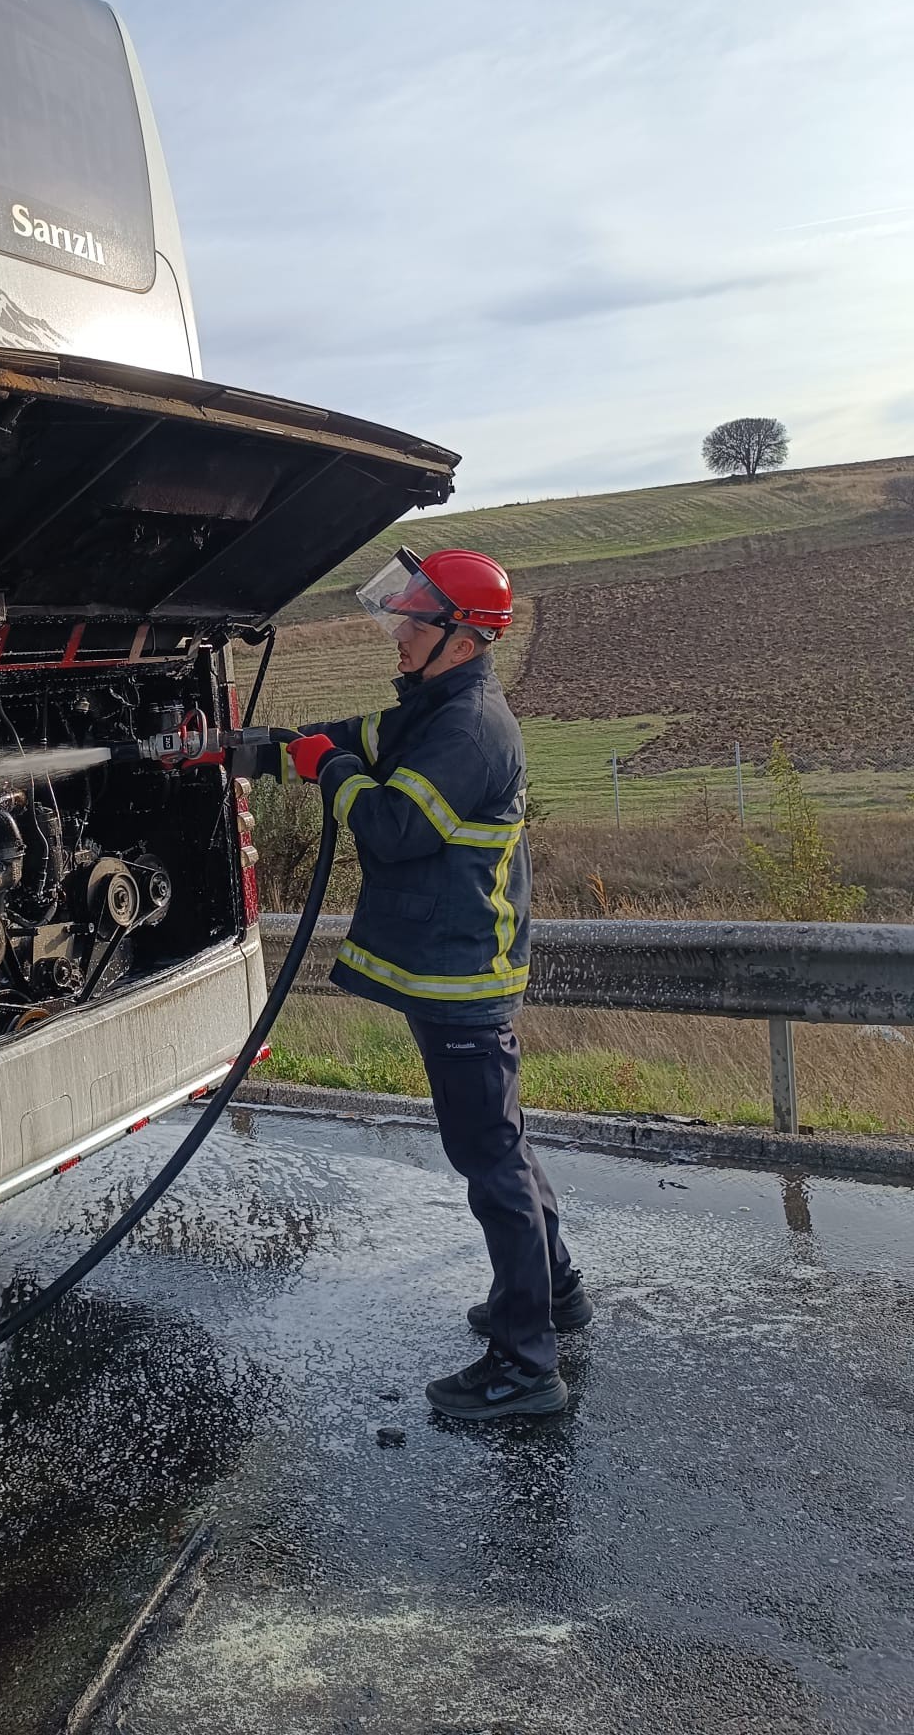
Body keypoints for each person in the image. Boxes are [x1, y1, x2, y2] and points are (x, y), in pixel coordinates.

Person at [254, 547, 589, 1419]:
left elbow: (396, 826)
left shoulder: (470, 730)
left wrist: (326, 771)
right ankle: (555, 1294)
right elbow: (359, 737)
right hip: (456, 967)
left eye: (413, 620)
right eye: (398, 614)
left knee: (491, 1162)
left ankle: (525, 1366)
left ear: (463, 636)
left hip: (464, 977)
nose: (397, 632)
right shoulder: (434, 707)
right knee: (502, 1143)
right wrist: (267, 749)